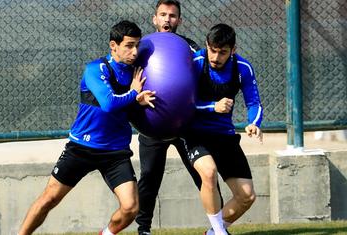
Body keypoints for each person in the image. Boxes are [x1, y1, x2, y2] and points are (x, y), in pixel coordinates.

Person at [18, 20, 156, 235]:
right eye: (129, 45)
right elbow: (109, 103)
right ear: (113, 45)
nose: (135, 51)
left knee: (130, 208)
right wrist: (133, 94)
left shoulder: (136, 73)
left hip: (115, 152)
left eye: (137, 45)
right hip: (82, 146)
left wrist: (138, 101)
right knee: (49, 199)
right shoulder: (95, 69)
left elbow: (129, 108)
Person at [135, 1, 216, 234]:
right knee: (149, 177)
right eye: (163, 15)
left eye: (172, 16)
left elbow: (203, 76)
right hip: (153, 123)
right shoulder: (143, 46)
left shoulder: (189, 47)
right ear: (154, 19)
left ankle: (217, 227)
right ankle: (144, 230)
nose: (167, 19)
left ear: (179, 20)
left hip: (185, 125)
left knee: (204, 174)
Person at [184, 23, 264, 235]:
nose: (216, 57)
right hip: (195, 133)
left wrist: (254, 123)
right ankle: (220, 232)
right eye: (212, 50)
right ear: (206, 45)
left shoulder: (242, 68)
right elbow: (181, 103)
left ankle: (213, 232)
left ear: (233, 50)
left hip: (224, 136)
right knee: (208, 173)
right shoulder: (195, 63)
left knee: (247, 196)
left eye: (222, 52)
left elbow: (254, 102)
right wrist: (212, 106)